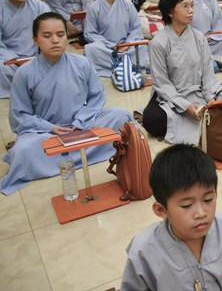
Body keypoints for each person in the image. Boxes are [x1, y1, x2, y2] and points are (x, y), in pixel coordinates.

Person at [1, 12, 132, 194]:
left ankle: (64, 154)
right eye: (47, 36)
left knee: (120, 116)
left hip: (82, 125)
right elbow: (20, 115)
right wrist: (50, 128)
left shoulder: (82, 63)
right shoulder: (24, 73)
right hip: (46, 133)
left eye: (60, 34)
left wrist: (81, 120)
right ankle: (84, 150)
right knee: (23, 150)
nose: (55, 40)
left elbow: (96, 97)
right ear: (35, 40)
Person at [120, 144, 222, 291]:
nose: (201, 213)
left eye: (208, 200)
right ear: (161, 210)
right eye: (187, 205)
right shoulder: (143, 251)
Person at [142, 0, 222, 144]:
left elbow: (208, 75)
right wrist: (186, 106)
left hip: (200, 91)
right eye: (185, 6)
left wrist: (211, 100)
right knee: (152, 120)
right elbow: (162, 84)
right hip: (171, 96)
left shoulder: (199, 37)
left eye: (192, 5)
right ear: (170, 12)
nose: (191, 10)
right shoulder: (158, 43)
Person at [84, 0, 148, 77]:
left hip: (127, 46)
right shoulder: (94, 7)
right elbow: (90, 33)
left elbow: (135, 28)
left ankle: (123, 64)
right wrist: (113, 46)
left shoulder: (128, 4)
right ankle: (126, 64)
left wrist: (127, 44)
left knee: (142, 47)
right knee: (91, 49)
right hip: (106, 48)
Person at [0, 0, 51, 98]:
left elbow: (50, 33)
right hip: (10, 61)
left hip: (37, 57)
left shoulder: (40, 6)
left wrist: (43, 55)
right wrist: (13, 60)